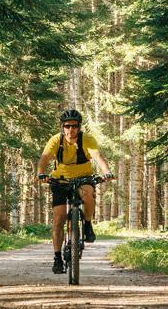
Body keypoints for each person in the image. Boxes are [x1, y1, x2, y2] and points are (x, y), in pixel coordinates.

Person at [37, 107, 113, 274]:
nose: (71, 129)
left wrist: (106, 172)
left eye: (74, 126)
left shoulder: (87, 140)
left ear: (79, 127)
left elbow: (97, 156)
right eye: (67, 126)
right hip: (60, 180)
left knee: (88, 194)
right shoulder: (56, 140)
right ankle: (57, 257)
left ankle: (87, 224)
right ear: (62, 127)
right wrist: (41, 173)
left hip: (83, 178)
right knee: (59, 218)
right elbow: (44, 158)